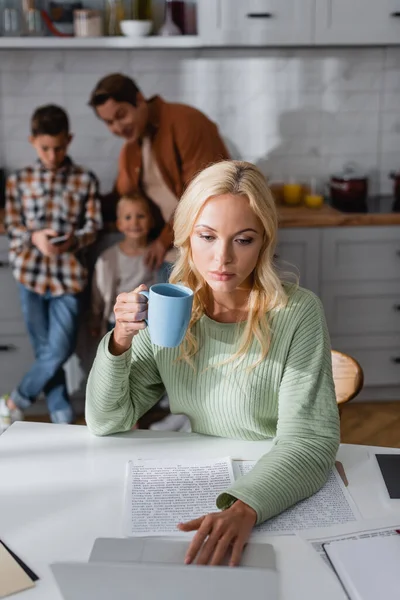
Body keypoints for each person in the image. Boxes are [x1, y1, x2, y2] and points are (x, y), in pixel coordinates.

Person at [85, 160, 340, 566]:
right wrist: (119, 342)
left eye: (243, 240)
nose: (222, 258)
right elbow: (106, 420)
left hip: (276, 488)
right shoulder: (169, 308)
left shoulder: (297, 313)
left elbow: (310, 440)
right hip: (203, 479)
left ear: (264, 242)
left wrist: (244, 507)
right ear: (186, 236)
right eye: (207, 236)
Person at [0, 104, 102, 430]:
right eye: (45, 148)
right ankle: (62, 420)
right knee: (48, 353)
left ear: (69, 140)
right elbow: (11, 226)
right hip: (29, 275)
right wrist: (35, 237)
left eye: (59, 147)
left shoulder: (85, 179)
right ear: (33, 141)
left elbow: (94, 225)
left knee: (57, 351)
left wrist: (73, 240)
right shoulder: (19, 181)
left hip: (69, 278)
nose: (53, 155)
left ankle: (14, 401)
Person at [88, 73, 230, 276]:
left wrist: (163, 241)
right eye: (109, 122)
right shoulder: (130, 150)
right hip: (170, 254)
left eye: (121, 115)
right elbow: (122, 200)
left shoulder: (187, 122)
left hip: (208, 250)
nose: (117, 127)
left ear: (138, 99)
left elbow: (203, 194)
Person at [90, 194, 157, 338]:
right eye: (128, 217)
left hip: (149, 323)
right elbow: (98, 293)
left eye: (141, 216)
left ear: (151, 221)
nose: (135, 223)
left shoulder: (158, 254)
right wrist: (95, 318)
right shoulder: (107, 259)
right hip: (117, 320)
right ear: (119, 224)